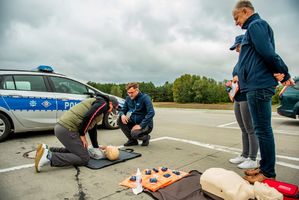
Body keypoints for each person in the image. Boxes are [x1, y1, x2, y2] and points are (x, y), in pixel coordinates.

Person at [232, 0, 294, 183]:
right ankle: (265, 166)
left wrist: (284, 73)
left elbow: (268, 53)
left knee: (262, 130)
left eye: (236, 18)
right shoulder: (254, 28)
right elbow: (264, 55)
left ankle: (268, 172)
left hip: (259, 86)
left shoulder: (256, 25)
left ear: (245, 11)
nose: (236, 23)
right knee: (261, 129)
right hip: (255, 85)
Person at [34, 94, 119, 172]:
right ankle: (49, 156)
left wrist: (96, 147)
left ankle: (47, 150)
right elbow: (88, 117)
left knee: (78, 150)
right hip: (67, 129)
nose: (111, 111)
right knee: (84, 158)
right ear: (110, 104)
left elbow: (92, 129)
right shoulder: (103, 104)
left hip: (62, 128)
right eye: (113, 109)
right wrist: (82, 134)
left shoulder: (97, 102)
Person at [228, 34, 259, 169]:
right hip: (238, 98)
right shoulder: (239, 61)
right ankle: (244, 155)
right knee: (243, 129)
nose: (236, 50)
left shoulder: (250, 58)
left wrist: (239, 78)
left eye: (238, 47)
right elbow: (236, 79)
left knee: (250, 129)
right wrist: (231, 84)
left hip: (247, 97)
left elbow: (253, 76)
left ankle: (252, 158)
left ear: (244, 44)